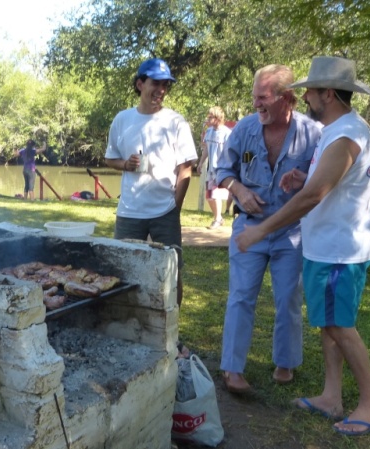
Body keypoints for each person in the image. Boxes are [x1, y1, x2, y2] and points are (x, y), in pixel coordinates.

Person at [235, 56, 370, 436]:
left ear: (329, 94)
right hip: (325, 247)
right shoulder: (338, 129)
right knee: (327, 325)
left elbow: (313, 197)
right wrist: (304, 175)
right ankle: (331, 396)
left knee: (340, 327)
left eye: (312, 93)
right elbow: (327, 181)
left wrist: (259, 231)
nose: (307, 100)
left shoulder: (345, 134)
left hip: (339, 251)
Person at [214, 65, 322, 394]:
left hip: (291, 232)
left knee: (288, 297)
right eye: (254, 97)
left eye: (263, 97)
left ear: (286, 98)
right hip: (249, 227)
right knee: (241, 296)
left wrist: (304, 180)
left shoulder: (313, 133)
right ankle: (232, 370)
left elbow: (323, 180)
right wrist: (240, 191)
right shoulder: (244, 130)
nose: (256, 105)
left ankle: (285, 362)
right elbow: (223, 171)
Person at [105, 58, 198, 308]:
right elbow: (110, 158)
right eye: (155, 83)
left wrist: (174, 208)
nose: (161, 90)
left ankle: (171, 334)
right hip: (129, 211)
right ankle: (125, 327)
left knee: (172, 275)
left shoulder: (175, 122)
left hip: (164, 211)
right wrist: (125, 164)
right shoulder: (122, 120)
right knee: (121, 271)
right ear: (140, 83)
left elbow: (186, 168)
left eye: (166, 85)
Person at [197, 106, 233, 229]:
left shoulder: (227, 133)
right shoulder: (209, 132)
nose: (208, 119)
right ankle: (219, 217)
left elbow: (231, 151)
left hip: (222, 168)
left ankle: (217, 219)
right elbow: (206, 148)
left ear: (218, 118)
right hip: (211, 169)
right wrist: (201, 162)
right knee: (209, 196)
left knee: (215, 194)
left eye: (211, 117)